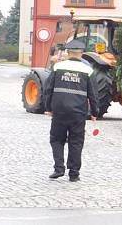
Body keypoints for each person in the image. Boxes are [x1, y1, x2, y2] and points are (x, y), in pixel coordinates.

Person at [43, 40, 99, 182]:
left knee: (56, 139)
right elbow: (93, 94)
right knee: (76, 141)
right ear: (81, 54)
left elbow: (48, 89)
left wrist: (48, 108)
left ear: (67, 53)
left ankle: (58, 168)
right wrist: (94, 112)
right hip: (78, 113)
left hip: (59, 111)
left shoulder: (57, 67)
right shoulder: (88, 70)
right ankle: (74, 174)